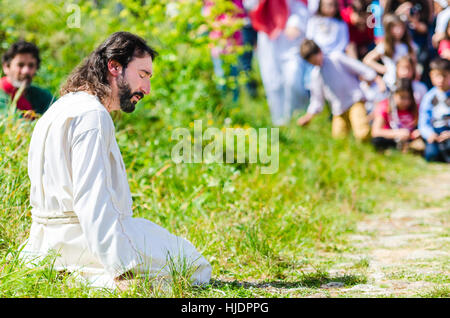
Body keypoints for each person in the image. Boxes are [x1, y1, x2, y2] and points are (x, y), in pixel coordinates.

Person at [19, 32, 212, 289]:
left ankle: (73, 272)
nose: (147, 89)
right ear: (114, 66)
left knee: (164, 243)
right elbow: (92, 199)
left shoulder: (59, 108)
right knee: (195, 266)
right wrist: (122, 268)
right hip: (85, 241)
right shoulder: (92, 115)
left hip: (47, 244)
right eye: (143, 75)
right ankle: (94, 277)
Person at [296, 39, 380, 141]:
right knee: (338, 139)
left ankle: (373, 145)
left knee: (362, 133)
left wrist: (374, 78)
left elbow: (359, 68)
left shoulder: (336, 58)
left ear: (319, 51)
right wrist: (308, 116)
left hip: (355, 101)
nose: (316, 63)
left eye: (315, 59)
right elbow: (317, 99)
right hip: (339, 110)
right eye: (312, 62)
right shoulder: (316, 75)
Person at [248, 0, 310, 126]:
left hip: (290, 34)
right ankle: (279, 122)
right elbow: (250, 5)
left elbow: (302, 5)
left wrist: (296, 23)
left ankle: (298, 117)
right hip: (268, 34)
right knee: (272, 81)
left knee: (294, 78)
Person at [0, 40, 54, 119]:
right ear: (6, 67)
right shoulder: (2, 94)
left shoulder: (42, 96)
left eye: (31, 65)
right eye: (20, 65)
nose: (26, 71)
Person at [363, 13, 416, 91]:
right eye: (395, 27)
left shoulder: (408, 45)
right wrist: (384, 69)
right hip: (390, 82)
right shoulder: (384, 46)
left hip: (405, 82)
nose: (399, 31)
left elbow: (413, 62)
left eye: (401, 27)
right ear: (389, 29)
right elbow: (367, 60)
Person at [371, 78, 424, 152]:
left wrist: (420, 132)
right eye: (402, 97)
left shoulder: (414, 107)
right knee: (377, 141)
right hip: (391, 139)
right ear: (394, 95)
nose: (406, 102)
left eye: (409, 98)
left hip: (410, 139)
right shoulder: (384, 106)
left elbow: (421, 125)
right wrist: (397, 133)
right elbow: (375, 131)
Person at [418, 57, 450, 162]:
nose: (441, 80)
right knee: (431, 156)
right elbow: (423, 121)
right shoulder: (429, 97)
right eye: (437, 76)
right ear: (431, 76)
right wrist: (429, 134)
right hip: (435, 133)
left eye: (444, 76)